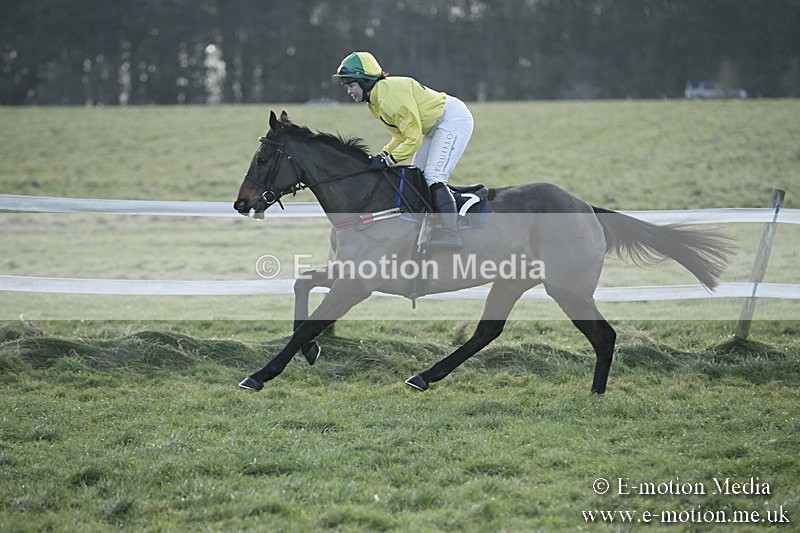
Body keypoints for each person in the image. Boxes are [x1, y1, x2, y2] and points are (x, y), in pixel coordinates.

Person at [333, 51, 473, 249]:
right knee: (417, 177)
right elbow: (400, 136)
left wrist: (388, 160)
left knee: (433, 176)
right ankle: (430, 229)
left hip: (452, 119)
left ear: (364, 82)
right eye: (346, 86)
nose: (349, 91)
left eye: (351, 85)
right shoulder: (376, 102)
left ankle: (451, 234)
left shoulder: (390, 97)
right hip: (433, 126)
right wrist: (383, 155)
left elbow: (413, 139)